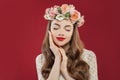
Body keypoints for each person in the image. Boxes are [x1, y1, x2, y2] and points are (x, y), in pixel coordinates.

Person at [35, 4, 98, 80]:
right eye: (56, 28)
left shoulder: (88, 56)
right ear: (49, 30)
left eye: (67, 29)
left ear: (73, 33)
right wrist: (57, 58)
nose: (61, 33)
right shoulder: (41, 59)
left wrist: (64, 71)